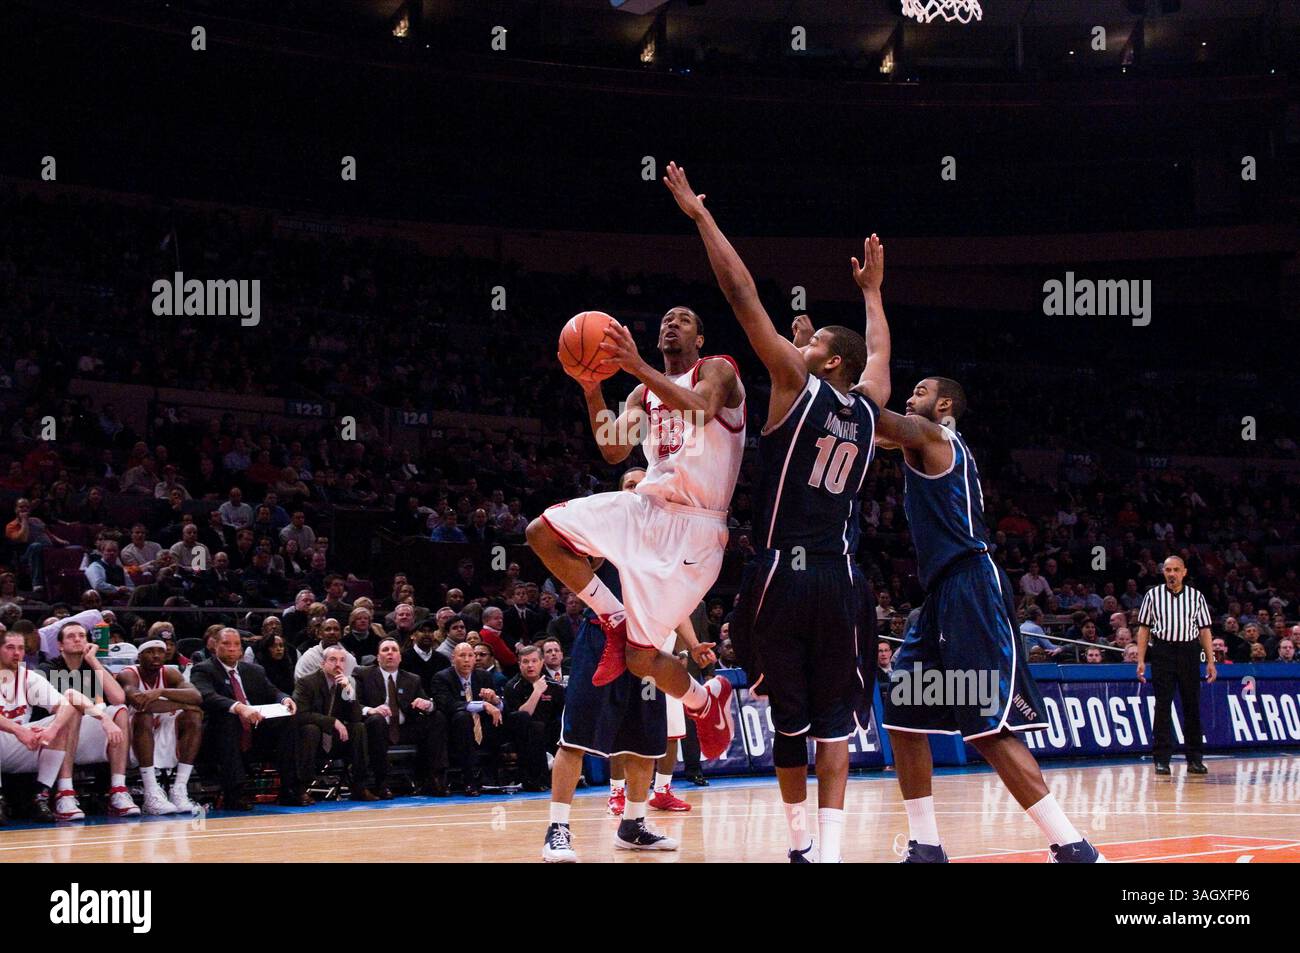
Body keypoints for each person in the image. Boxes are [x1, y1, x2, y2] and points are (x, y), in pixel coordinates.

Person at [665, 164, 886, 863]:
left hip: (782, 578)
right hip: (844, 580)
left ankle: (800, 847)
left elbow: (739, 292)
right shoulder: (871, 405)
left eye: (813, 339)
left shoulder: (794, 383)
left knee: (791, 723)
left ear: (828, 361)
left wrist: (702, 218)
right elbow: (879, 351)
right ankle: (831, 853)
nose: (802, 340)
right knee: (835, 727)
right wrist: (874, 293)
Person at [874, 376, 1101, 863]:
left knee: (987, 729)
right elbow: (870, 429)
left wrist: (826, 374)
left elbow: (875, 419)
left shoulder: (934, 435)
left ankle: (1074, 848)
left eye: (920, 390)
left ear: (946, 404)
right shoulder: (922, 441)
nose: (912, 397)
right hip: (939, 597)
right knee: (903, 712)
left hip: (970, 587)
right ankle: (927, 846)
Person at [525, 290, 744, 762]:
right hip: (646, 508)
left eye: (684, 319)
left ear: (699, 338)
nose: (672, 323)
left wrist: (638, 365)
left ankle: (705, 702)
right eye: (666, 317)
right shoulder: (641, 393)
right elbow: (612, 449)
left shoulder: (718, 369)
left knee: (641, 659)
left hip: (697, 527)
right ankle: (613, 615)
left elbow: (700, 410)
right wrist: (590, 387)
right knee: (540, 533)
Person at [0, 628, 122, 822]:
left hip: (21, 743)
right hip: (11, 736)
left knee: (66, 714)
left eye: (21, 648)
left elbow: (68, 700)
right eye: (10, 648)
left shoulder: (28, 677)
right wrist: (19, 729)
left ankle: (41, 795)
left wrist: (52, 730)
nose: (16, 653)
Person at [191, 627, 303, 810]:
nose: (232, 648)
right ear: (215, 646)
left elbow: (272, 691)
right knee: (229, 719)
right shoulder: (203, 669)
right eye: (226, 644)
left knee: (289, 720)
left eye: (236, 644)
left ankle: (290, 789)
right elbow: (207, 695)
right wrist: (239, 708)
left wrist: (285, 699)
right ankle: (235, 792)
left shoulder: (254, 670)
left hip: (255, 728)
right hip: (219, 733)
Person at [39, 620, 140, 817]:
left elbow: (118, 698)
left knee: (120, 710)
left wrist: (94, 660)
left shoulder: (91, 666)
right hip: (56, 734)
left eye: (82, 636)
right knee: (73, 710)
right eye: (71, 636)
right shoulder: (49, 667)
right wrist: (102, 716)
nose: (77, 639)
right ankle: (64, 793)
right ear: (60, 645)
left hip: (90, 730)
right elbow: (64, 703)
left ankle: (118, 790)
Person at [1135, 557, 1216, 775]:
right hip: (1162, 651)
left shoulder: (1196, 596)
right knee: (1162, 706)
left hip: (1189, 652)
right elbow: (1144, 629)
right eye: (1168, 570)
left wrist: (1210, 660)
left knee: (1192, 705)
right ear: (1163, 572)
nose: (1172, 574)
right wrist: (1141, 659)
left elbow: (1204, 630)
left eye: (1176, 570)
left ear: (1184, 572)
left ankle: (1195, 759)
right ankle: (1161, 759)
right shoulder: (1152, 595)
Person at [118, 639, 203, 814]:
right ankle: (151, 792)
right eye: (150, 652)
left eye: (160, 651)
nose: (156, 656)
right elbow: (141, 704)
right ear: (139, 656)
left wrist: (162, 692)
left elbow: (196, 696)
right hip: (132, 728)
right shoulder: (128, 674)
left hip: (162, 722)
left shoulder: (170, 673)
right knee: (145, 717)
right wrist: (183, 704)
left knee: (194, 717)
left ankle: (179, 789)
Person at [356, 637, 449, 797]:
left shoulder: (412, 679)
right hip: (377, 728)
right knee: (376, 721)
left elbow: (428, 703)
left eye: (394, 650)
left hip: (404, 728)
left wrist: (427, 704)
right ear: (378, 657)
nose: (390, 653)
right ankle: (381, 783)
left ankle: (434, 778)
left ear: (400, 657)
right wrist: (370, 710)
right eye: (385, 650)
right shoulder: (363, 674)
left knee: (437, 717)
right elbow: (354, 704)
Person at [293, 645, 371, 802]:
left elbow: (356, 717)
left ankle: (359, 786)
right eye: (333, 660)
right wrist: (332, 721)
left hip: (335, 740)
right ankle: (300, 789)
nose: (338, 664)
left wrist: (349, 692)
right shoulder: (306, 682)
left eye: (342, 660)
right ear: (322, 663)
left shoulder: (346, 683)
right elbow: (300, 714)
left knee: (359, 728)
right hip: (312, 738)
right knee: (310, 729)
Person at [431, 642, 504, 796]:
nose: (467, 660)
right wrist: (483, 704)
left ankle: (495, 778)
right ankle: (469, 780)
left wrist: (495, 700)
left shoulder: (483, 676)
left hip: (482, 726)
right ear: (453, 659)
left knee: (500, 718)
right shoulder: (442, 677)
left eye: (470, 656)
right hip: (452, 730)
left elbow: (497, 705)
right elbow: (448, 705)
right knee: (463, 717)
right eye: (462, 656)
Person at [503, 645, 565, 791]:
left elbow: (562, 713)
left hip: (548, 731)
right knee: (532, 725)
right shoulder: (512, 686)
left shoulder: (554, 686)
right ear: (519, 664)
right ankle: (537, 780)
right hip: (521, 733)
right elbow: (523, 715)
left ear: (542, 662)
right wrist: (537, 692)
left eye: (534, 661)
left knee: (561, 726)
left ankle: (571, 775)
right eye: (525, 662)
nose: (530, 665)